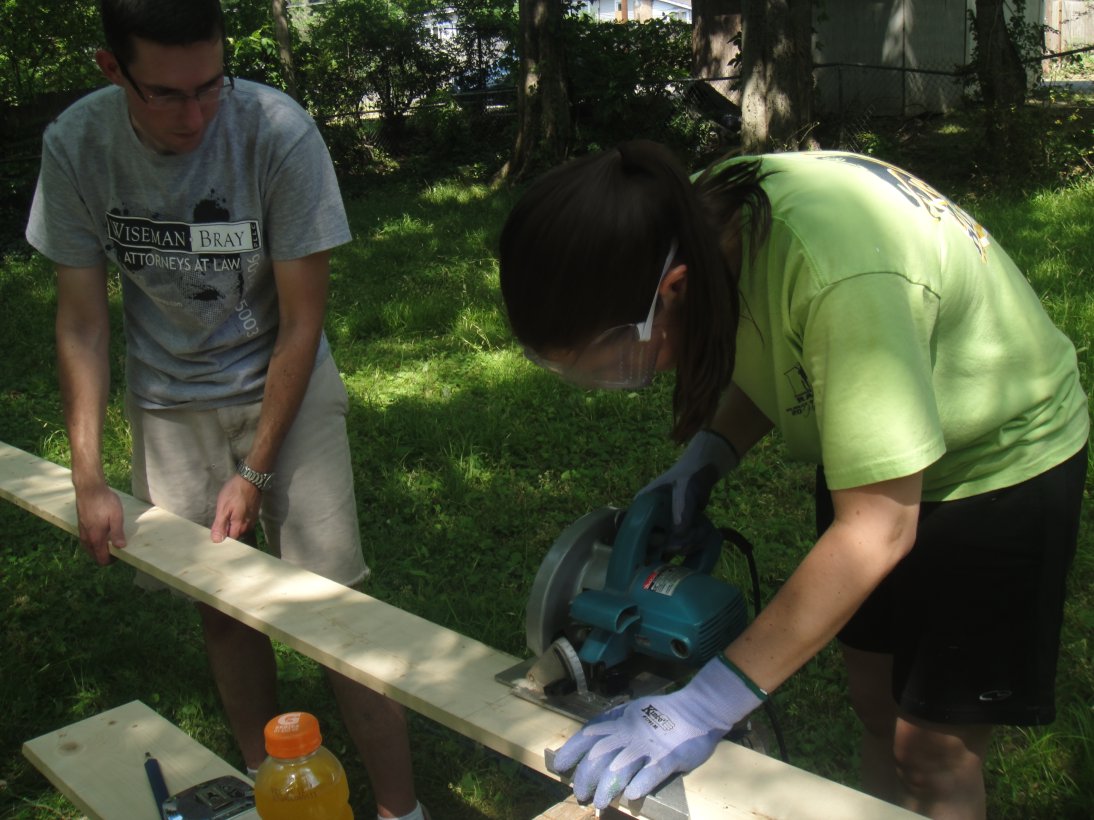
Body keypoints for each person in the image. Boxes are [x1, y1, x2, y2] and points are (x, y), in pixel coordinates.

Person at [497, 141, 1088, 820]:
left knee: (931, 755)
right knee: (875, 705)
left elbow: (877, 529)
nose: (632, 375)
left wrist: (703, 704)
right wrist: (711, 452)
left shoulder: (839, 279)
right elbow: (783, 346)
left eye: (618, 362)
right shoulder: (679, 222)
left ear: (674, 290)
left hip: (999, 464)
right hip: (879, 441)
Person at [25, 2, 426, 818]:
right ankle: (264, 789)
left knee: (339, 616)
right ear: (113, 70)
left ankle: (401, 810)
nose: (196, 115)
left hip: (287, 384)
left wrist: (256, 469)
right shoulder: (77, 144)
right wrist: (88, 478)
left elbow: (303, 321)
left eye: (211, 85)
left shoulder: (278, 132)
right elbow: (82, 323)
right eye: (168, 95)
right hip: (169, 403)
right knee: (223, 603)